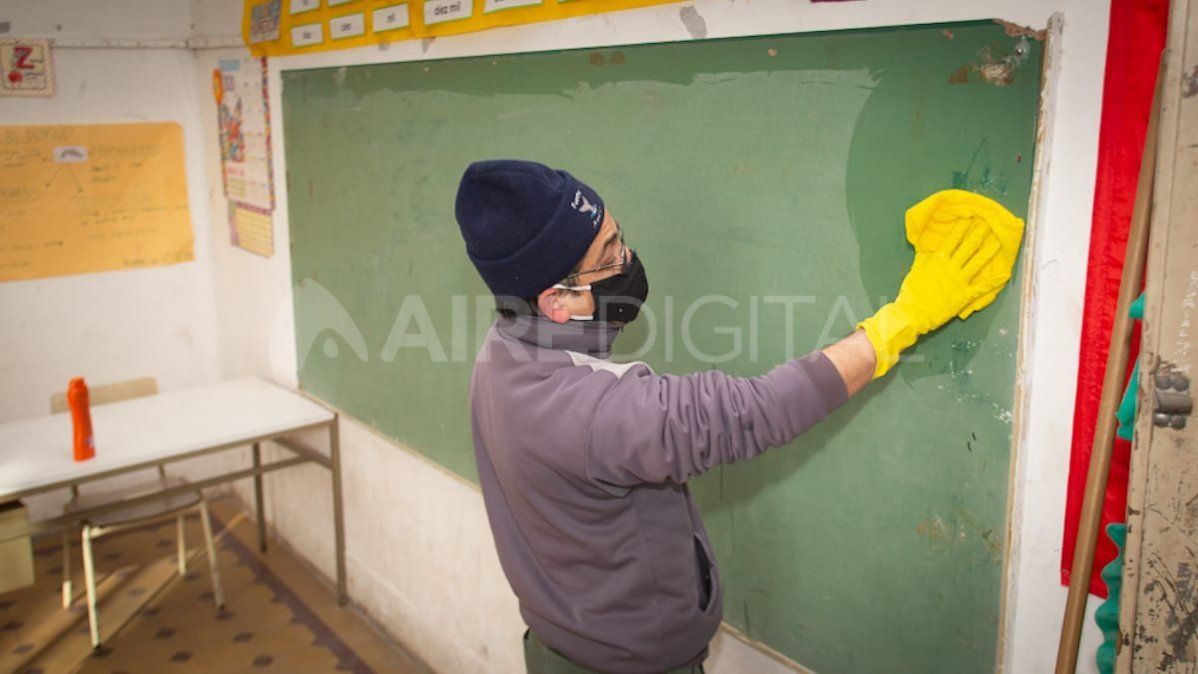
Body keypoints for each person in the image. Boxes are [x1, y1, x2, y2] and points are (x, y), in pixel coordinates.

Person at [454, 159, 1021, 674]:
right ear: (558, 301)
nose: (628, 259)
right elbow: (756, 411)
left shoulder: (501, 352)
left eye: (618, 237)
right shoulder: (596, 411)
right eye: (610, 256)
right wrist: (905, 318)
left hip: (559, 646)